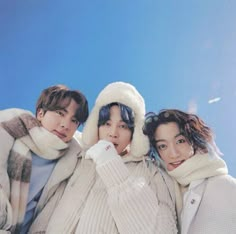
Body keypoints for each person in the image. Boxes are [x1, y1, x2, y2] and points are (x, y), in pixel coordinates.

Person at [29, 81, 178, 234]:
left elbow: (162, 229)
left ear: (135, 133)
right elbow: (47, 215)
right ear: (96, 126)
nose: (113, 133)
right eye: (107, 123)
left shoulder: (151, 172)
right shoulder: (79, 161)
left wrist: (113, 168)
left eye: (123, 126)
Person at [0, 84, 89, 234]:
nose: (65, 125)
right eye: (60, 113)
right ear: (40, 113)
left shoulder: (72, 161)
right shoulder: (11, 131)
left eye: (74, 121)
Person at [143, 109, 236, 234]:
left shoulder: (227, 187)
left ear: (194, 141)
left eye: (180, 141)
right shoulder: (160, 190)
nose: (173, 154)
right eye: (163, 146)